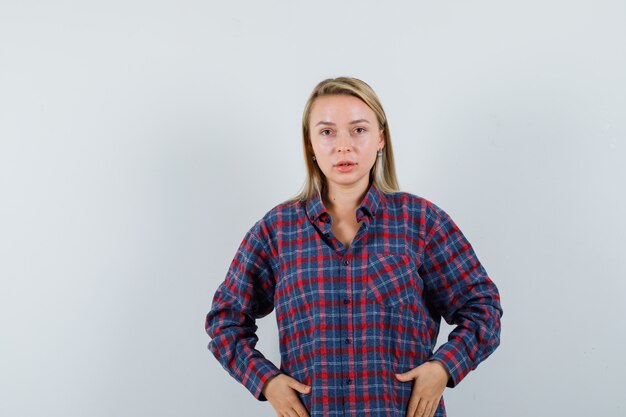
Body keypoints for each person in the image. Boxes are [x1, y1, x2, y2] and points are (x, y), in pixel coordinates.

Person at [205, 77, 502, 417]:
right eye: (327, 132)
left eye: (358, 130)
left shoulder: (421, 222)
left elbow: (482, 307)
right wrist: (267, 381)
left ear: (380, 139)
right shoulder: (276, 231)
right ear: (310, 144)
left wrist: (444, 367)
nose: (343, 146)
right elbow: (225, 320)